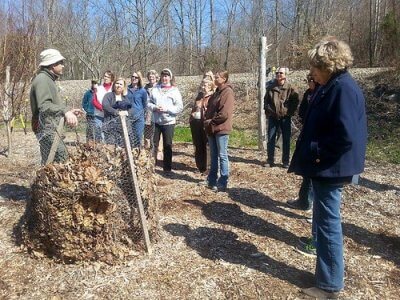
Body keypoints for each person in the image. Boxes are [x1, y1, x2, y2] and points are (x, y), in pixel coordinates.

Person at [288, 37, 367, 299]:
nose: (311, 72)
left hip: (330, 168)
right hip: (326, 168)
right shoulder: (332, 84)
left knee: (327, 224)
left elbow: (346, 136)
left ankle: (330, 286)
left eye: (315, 67)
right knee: (324, 221)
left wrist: (317, 153)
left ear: (328, 65)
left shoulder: (342, 88)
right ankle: (328, 278)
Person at [30, 48, 81, 164]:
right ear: (52, 65)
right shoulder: (43, 80)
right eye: (60, 63)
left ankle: (45, 182)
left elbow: (51, 105)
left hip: (51, 128)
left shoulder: (48, 79)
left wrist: (68, 112)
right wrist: (65, 111)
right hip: (47, 129)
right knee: (59, 161)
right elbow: (44, 106)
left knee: (52, 164)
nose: (63, 66)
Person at [287, 74, 319, 212]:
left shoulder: (322, 93)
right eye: (308, 80)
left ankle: (308, 203)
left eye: (311, 80)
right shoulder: (308, 93)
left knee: (312, 176)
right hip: (307, 133)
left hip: (316, 139)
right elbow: (302, 110)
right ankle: (303, 200)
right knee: (306, 173)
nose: (309, 83)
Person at [203, 70, 235, 192]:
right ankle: (211, 180)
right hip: (212, 129)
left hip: (221, 129)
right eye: (215, 77)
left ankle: (223, 182)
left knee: (222, 155)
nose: (215, 79)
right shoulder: (217, 92)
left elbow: (224, 114)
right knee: (214, 155)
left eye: (218, 77)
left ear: (224, 79)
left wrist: (211, 121)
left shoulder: (227, 93)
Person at [148, 68, 183, 174]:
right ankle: (151, 166)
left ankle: (167, 168)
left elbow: (179, 107)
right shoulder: (155, 89)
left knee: (167, 144)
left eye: (167, 76)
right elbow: (148, 102)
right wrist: (154, 107)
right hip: (156, 121)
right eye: (163, 76)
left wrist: (167, 109)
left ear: (170, 78)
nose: (165, 78)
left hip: (168, 122)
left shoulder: (175, 90)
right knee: (154, 144)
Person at [264, 67, 299, 168]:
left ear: (285, 75)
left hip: (285, 118)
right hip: (273, 117)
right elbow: (265, 101)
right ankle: (270, 160)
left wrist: (289, 112)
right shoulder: (270, 87)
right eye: (277, 73)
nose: (278, 74)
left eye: (281, 73)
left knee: (286, 140)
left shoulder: (291, 88)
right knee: (271, 139)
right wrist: (268, 111)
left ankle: (286, 162)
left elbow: (295, 101)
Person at [190, 71, 215, 174]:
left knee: (207, 146)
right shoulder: (199, 96)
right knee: (198, 145)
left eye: (206, 85)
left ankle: (208, 168)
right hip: (196, 123)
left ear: (210, 86)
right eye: (202, 85)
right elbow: (195, 108)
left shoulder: (212, 97)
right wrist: (192, 115)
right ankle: (200, 167)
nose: (203, 87)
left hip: (206, 123)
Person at [102, 77, 131, 146]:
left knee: (122, 147)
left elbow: (130, 109)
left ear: (124, 87)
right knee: (110, 146)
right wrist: (117, 112)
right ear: (114, 85)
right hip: (110, 125)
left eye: (121, 84)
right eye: (117, 83)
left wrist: (127, 112)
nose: (118, 85)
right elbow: (105, 106)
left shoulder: (126, 98)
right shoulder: (108, 96)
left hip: (123, 127)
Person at [92, 70, 114, 142]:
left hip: (110, 116)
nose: (106, 78)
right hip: (99, 115)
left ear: (111, 78)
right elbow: (94, 101)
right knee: (100, 136)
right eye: (105, 76)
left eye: (108, 77)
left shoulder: (113, 89)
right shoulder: (98, 88)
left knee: (109, 135)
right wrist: (102, 108)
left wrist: (109, 109)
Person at [127, 71, 148, 147]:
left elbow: (145, 104)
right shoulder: (126, 89)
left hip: (139, 118)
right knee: (129, 137)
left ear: (139, 79)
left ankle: (138, 154)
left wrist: (142, 114)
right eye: (132, 76)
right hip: (128, 118)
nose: (134, 78)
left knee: (138, 137)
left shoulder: (142, 91)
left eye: (136, 77)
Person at [144, 70, 159, 149]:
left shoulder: (159, 87)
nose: (151, 78)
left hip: (157, 112)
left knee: (155, 132)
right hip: (148, 112)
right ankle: (146, 149)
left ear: (156, 78)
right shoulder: (145, 88)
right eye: (150, 77)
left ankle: (155, 149)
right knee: (147, 132)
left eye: (153, 77)